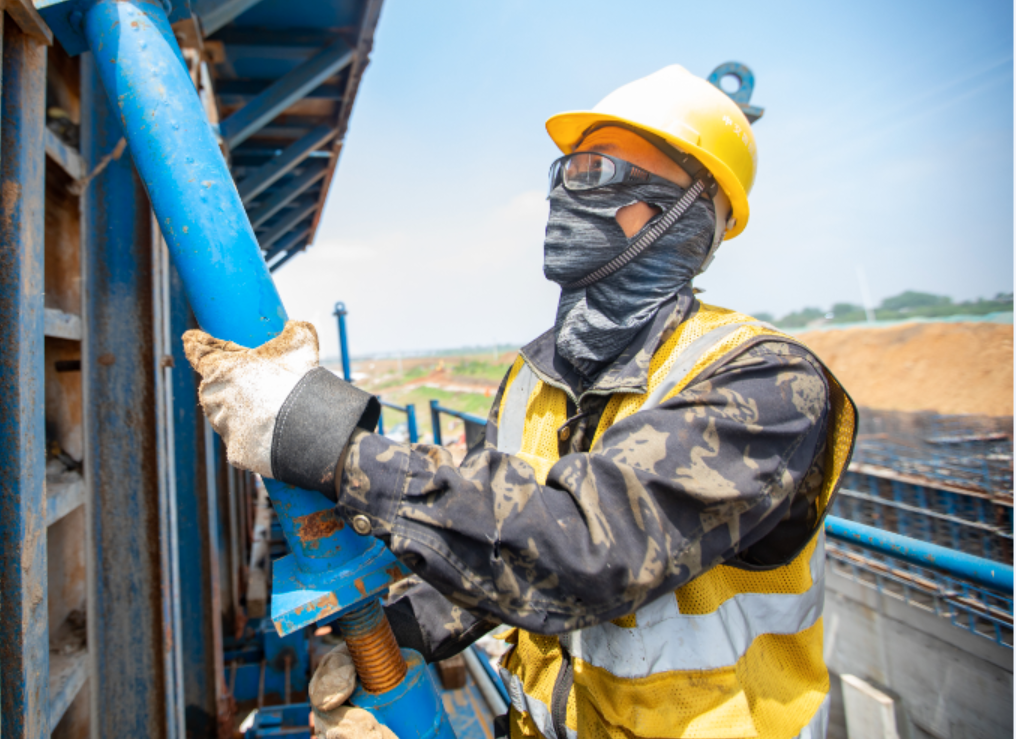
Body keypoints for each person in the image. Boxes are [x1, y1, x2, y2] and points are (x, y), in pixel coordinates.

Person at [184, 65, 857, 739]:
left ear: (686, 216)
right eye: (566, 171)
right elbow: (503, 535)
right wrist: (402, 632)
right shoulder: (534, 379)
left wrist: (319, 436)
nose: (567, 194)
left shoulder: (766, 383)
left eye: (599, 175)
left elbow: (591, 543)